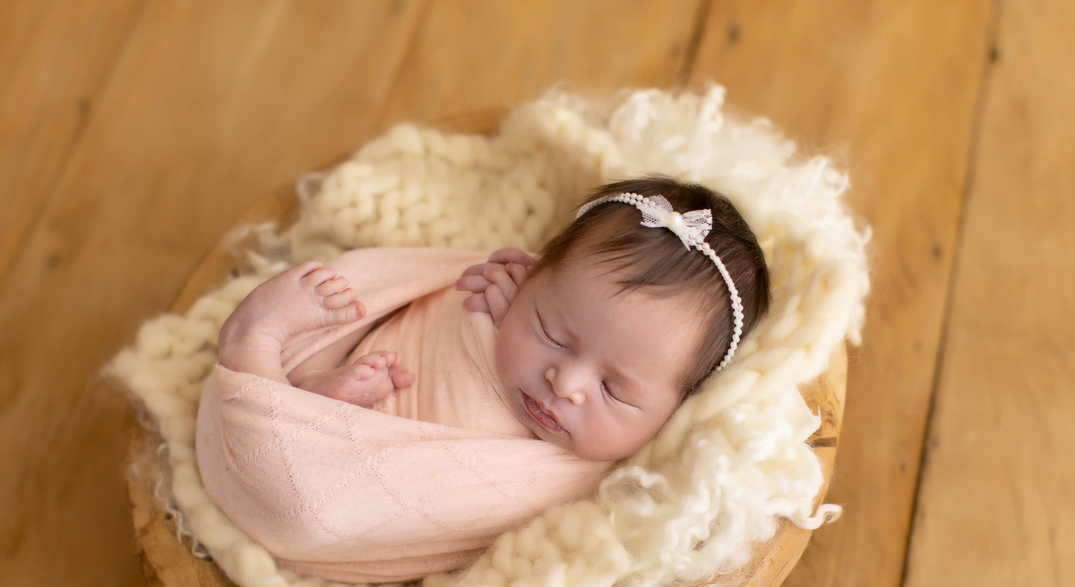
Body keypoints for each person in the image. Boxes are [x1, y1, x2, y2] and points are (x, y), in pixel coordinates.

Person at [216, 177, 771, 466]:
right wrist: (510, 313)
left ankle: (271, 378)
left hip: (345, 487)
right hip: (334, 400)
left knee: (300, 498)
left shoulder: (615, 479)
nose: (566, 384)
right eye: (553, 332)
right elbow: (444, 302)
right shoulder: (497, 304)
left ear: (677, 411)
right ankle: (271, 356)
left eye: (615, 390)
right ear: (530, 275)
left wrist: (537, 324)